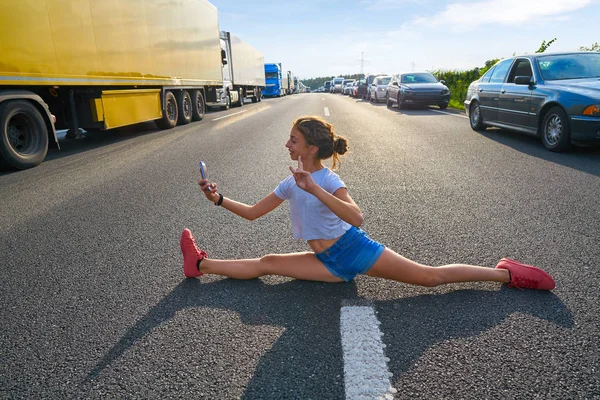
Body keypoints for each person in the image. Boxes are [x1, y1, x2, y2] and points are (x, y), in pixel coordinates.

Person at [180, 116, 555, 290]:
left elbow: (356, 218)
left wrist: (314, 188)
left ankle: (506, 273)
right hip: (328, 264)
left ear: (311, 148)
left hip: (353, 250)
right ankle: (199, 264)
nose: (287, 144)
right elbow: (251, 214)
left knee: (429, 278)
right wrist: (218, 198)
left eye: (293, 140)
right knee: (266, 264)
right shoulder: (289, 183)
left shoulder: (326, 179)